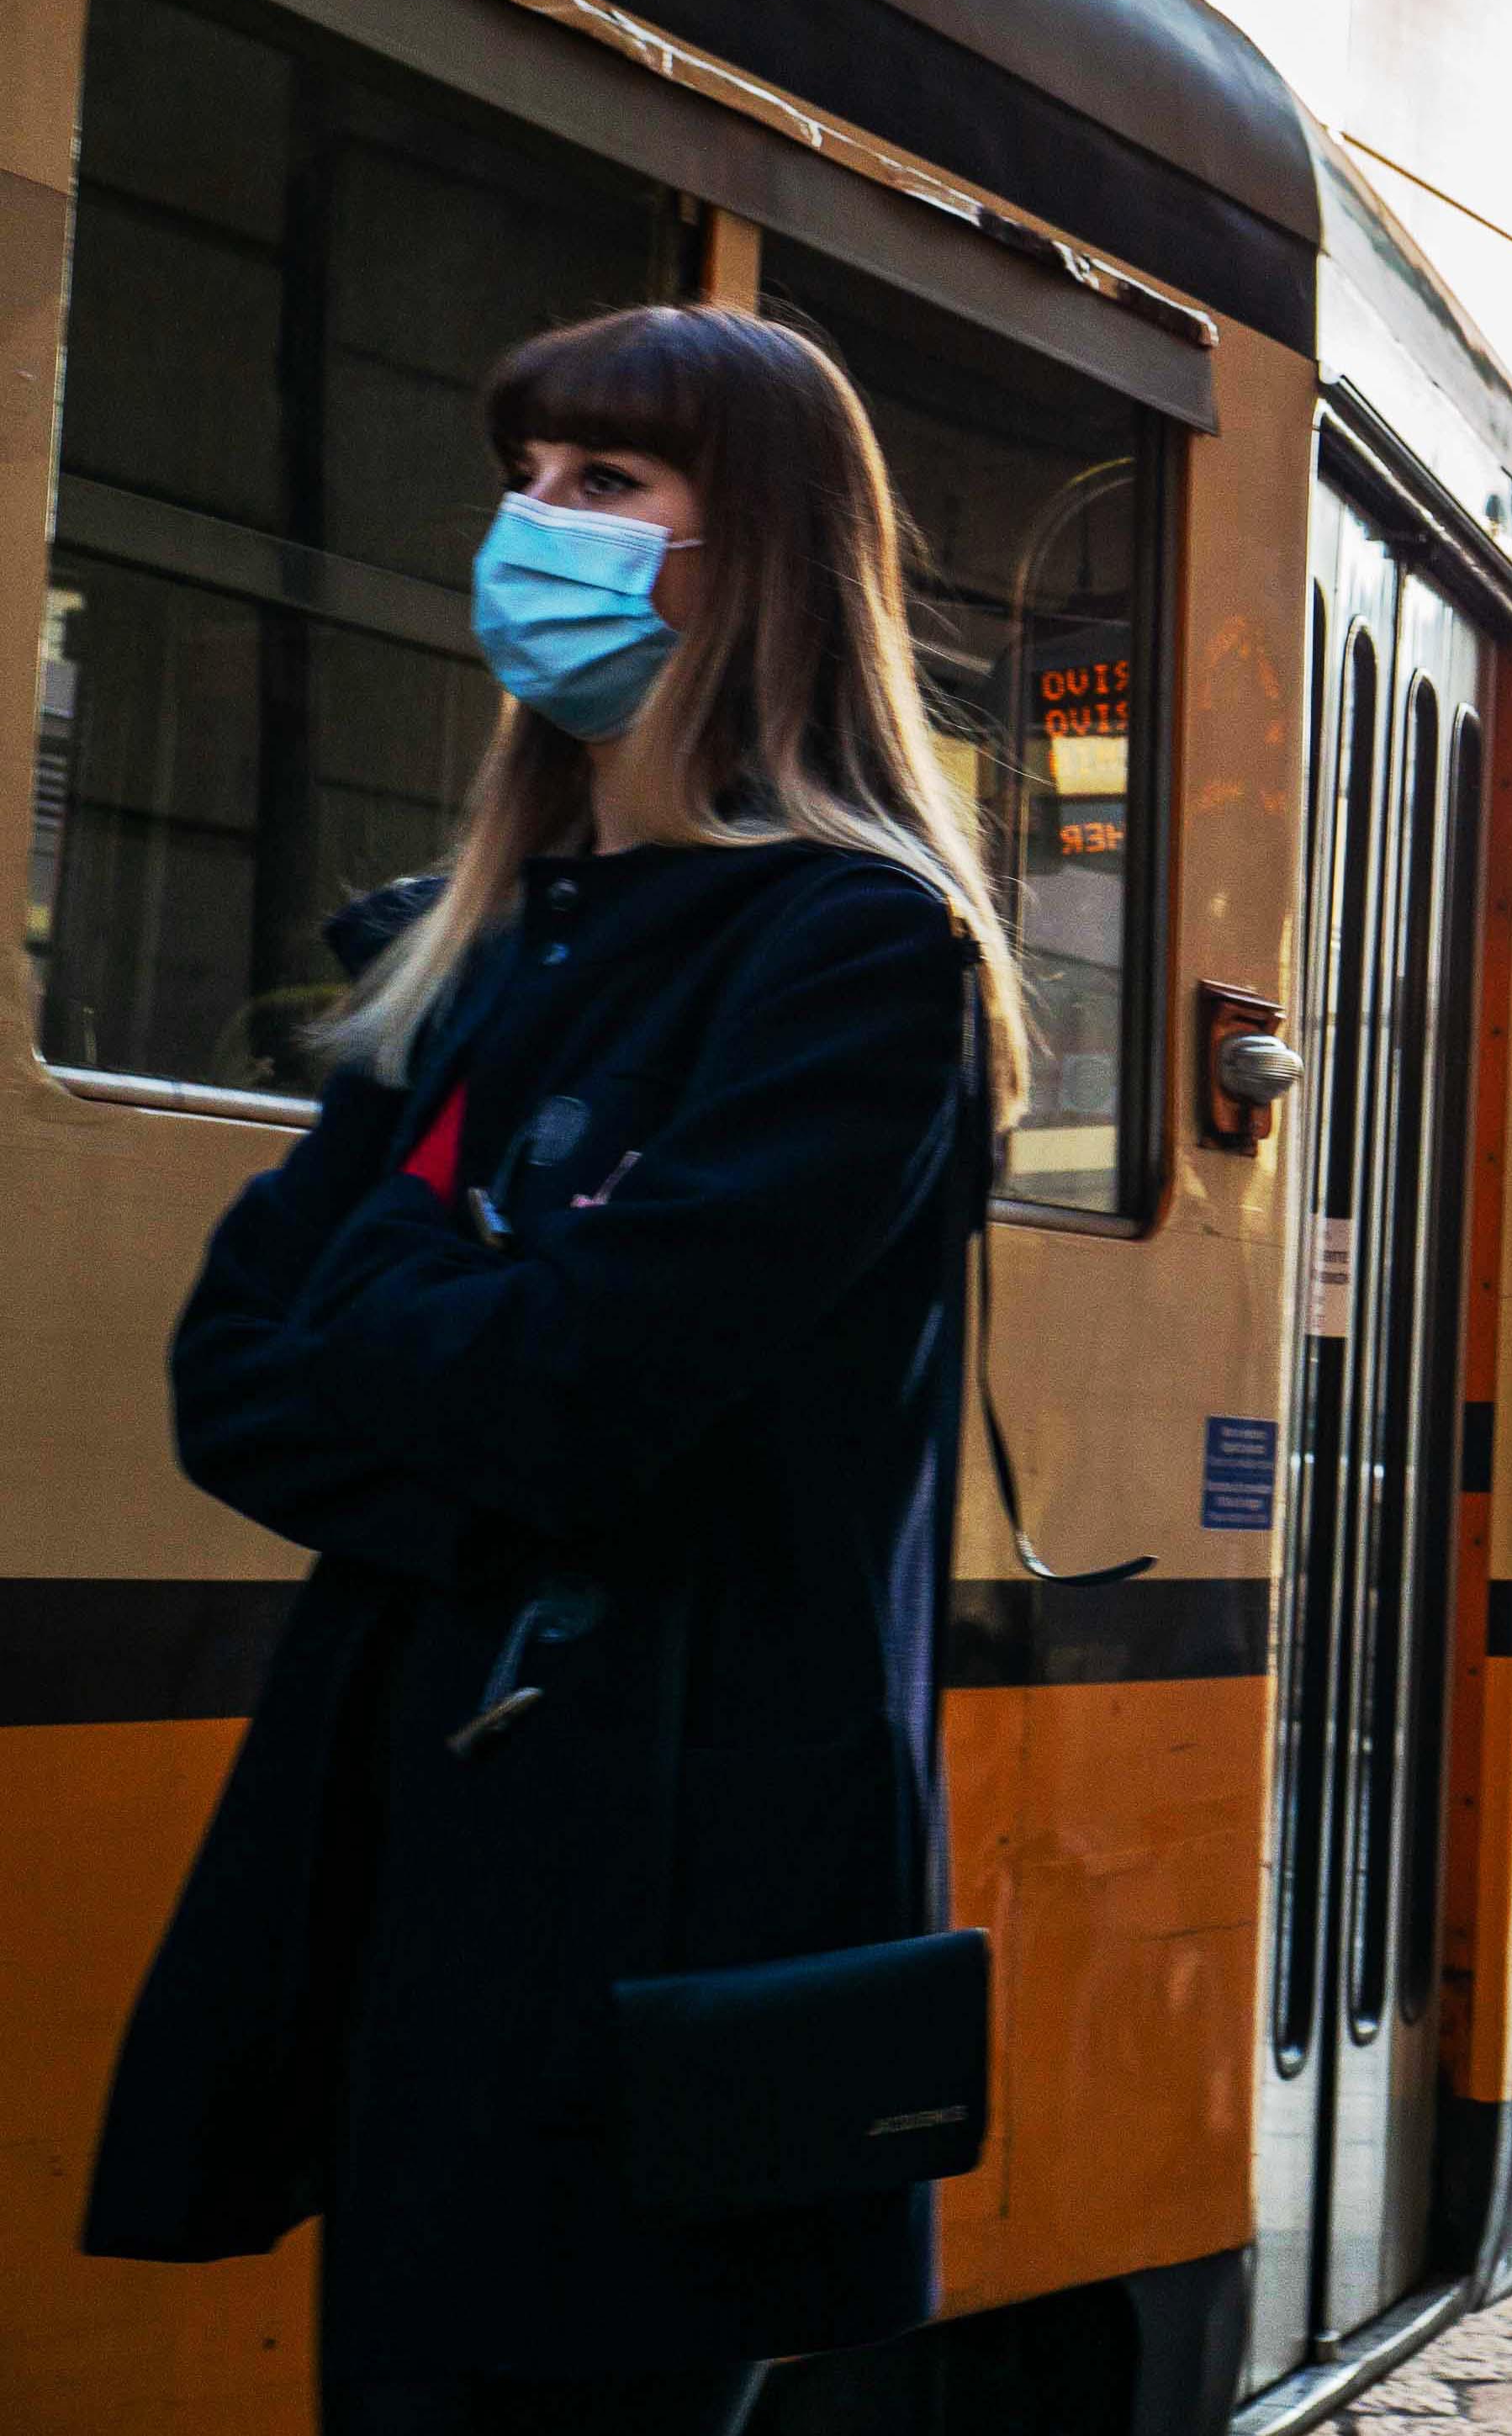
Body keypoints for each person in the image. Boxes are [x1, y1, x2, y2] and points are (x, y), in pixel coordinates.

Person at [82, 305, 1027, 2436]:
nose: (536, 527)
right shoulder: (470, 943)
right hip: (415, 1897)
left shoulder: (856, 953)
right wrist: (478, 1347)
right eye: (525, 480)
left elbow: (583, 1390)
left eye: (606, 486)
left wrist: (418, 1316)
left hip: (651, 1937)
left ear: (749, 556)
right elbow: (229, 1376)